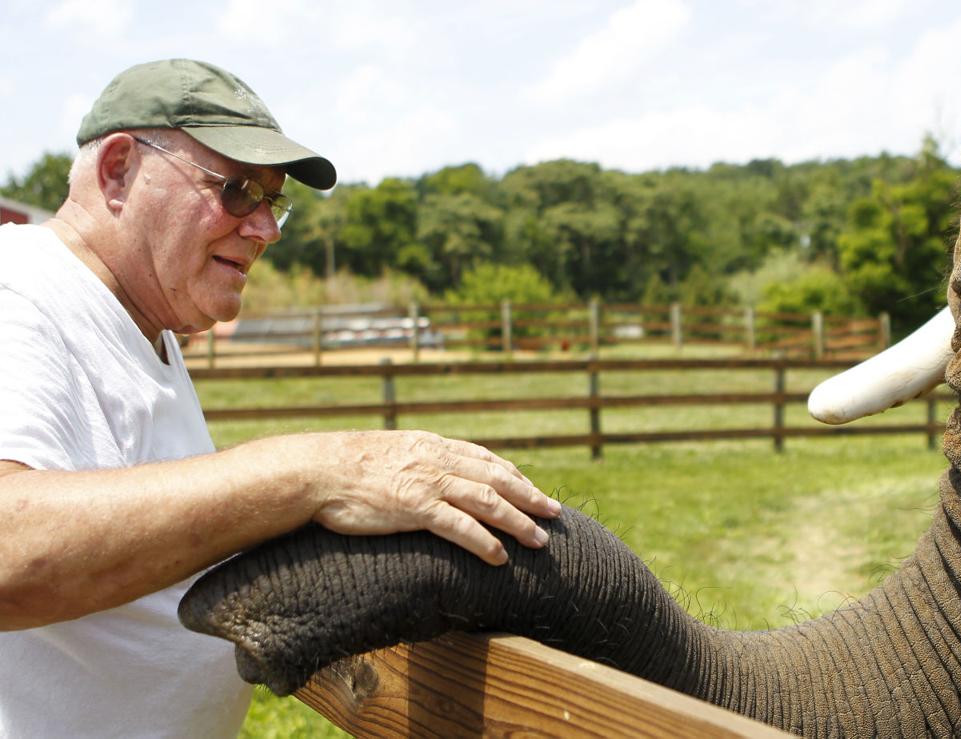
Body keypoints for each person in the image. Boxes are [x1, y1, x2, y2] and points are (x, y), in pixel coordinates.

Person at [0, 59, 561, 737]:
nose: (266, 228)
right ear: (118, 169)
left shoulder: (146, 329)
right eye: (236, 190)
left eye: (274, 201)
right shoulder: (21, 290)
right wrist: (313, 471)